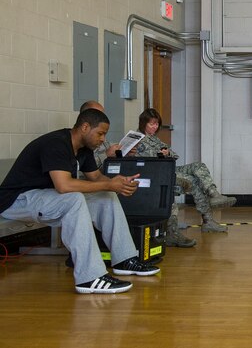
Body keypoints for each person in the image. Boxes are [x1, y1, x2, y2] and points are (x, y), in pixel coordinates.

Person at [0, 109, 159, 294]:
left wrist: (118, 183)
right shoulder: (56, 144)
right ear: (84, 127)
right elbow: (64, 186)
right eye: (100, 133)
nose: (102, 139)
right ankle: (89, 277)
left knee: (106, 197)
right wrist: (109, 185)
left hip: (45, 197)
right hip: (16, 200)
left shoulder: (84, 149)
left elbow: (96, 177)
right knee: (73, 199)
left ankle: (125, 260)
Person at [79, 101, 195, 248]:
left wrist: (124, 154)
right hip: (98, 185)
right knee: (155, 188)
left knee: (165, 188)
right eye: (97, 114)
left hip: (112, 179)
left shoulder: (102, 140)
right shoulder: (81, 143)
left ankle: (160, 234)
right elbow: (88, 172)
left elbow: (108, 166)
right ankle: (128, 242)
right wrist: (107, 156)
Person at [136, 108, 235, 234]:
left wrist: (167, 153)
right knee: (194, 181)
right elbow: (144, 158)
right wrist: (161, 153)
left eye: (157, 124)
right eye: (152, 124)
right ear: (143, 123)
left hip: (169, 168)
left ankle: (214, 194)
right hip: (158, 173)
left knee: (198, 166)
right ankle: (208, 221)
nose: (155, 127)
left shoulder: (154, 139)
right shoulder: (137, 138)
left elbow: (174, 155)